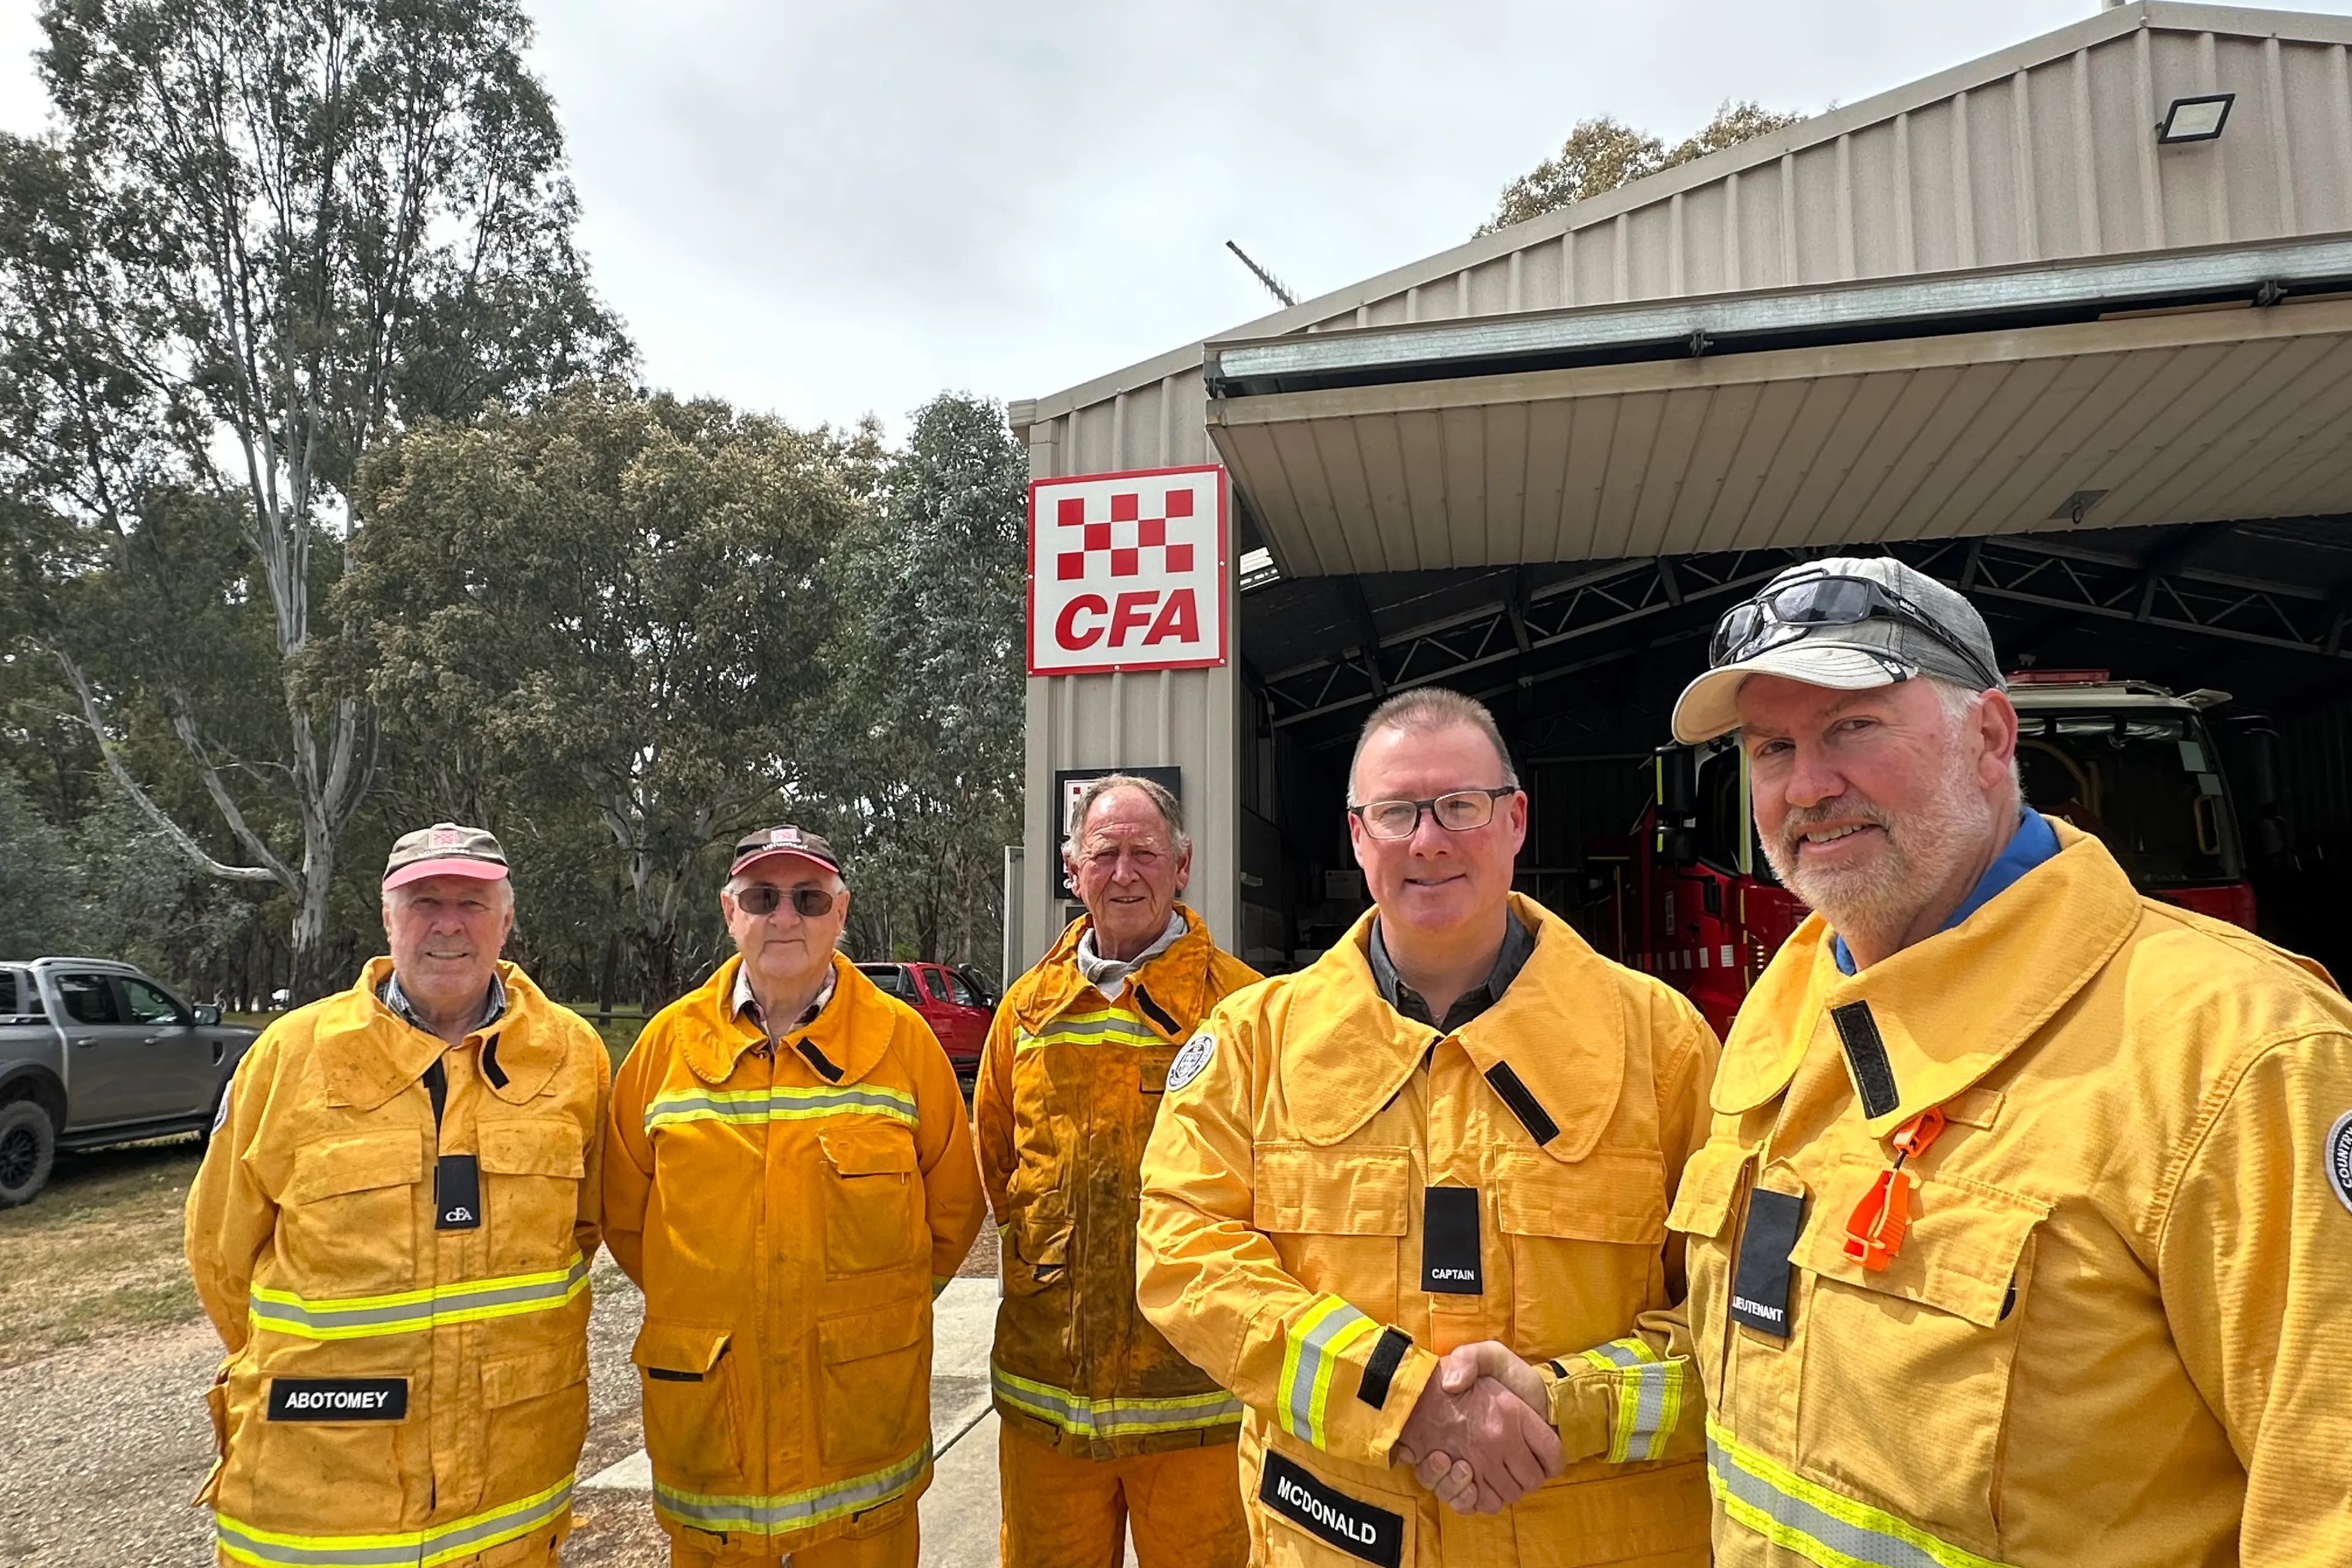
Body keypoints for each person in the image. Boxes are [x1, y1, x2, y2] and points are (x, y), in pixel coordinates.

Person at [1624, 555, 2351, 1566]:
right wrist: (1563, 1400)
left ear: (1991, 737)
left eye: (1854, 727)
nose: (1809, 785)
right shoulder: (1784, 1005)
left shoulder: (2245, 1050)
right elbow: (1760, 1355)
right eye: (1772, 747)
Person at [1136, 688, 1719, 1567]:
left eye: (1460, 806)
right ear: (1358, 837)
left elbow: (1741, 1320)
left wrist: (1568, 1403)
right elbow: (1183, 1255)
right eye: (1397, 812)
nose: (1430, 839)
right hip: (1336, 1538)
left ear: (1517, 819)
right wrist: (1397, 1398)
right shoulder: (1253, 1043)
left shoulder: (1661, 1043)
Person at [186, 823, 610, 1567]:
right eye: (423, 900)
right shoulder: (289, 1056)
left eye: (472, 903)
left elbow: (586, 1230)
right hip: (322, 1507)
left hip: (507, 1505)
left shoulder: (575, 1058)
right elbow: (222, 1258)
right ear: (387, 916)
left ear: (506, 921)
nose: (448, 922)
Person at [605, 825, 984, 1568]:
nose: (785, 917)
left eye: (808, 899)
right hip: (713, 1444)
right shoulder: (663, 1049)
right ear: (729, 911)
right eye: (763, 897)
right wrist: (718, 1301)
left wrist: (884, 1307)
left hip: (861, 1453)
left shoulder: (904, 1044)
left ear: (841, 914)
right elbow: (625, 1217)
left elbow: (953, 1210)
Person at [976, 775, 1262, 1567]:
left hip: (1198, 1411)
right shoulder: (1027, 1014)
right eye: (1106, 854)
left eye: (1147, 852)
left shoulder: (1244, 1012)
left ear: (1184, 866)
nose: (1125, 872)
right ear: (1073, 870)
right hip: (1048, 1407)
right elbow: (1002, 1168)